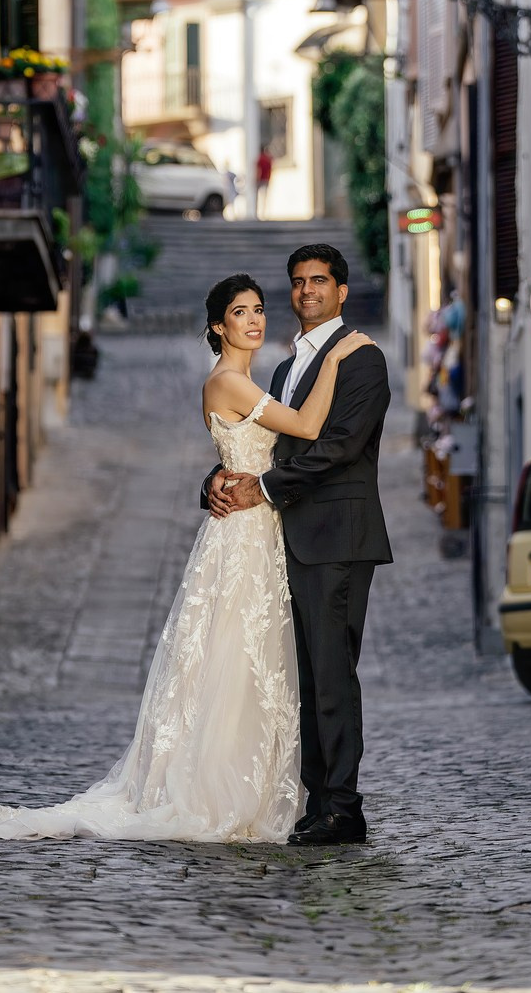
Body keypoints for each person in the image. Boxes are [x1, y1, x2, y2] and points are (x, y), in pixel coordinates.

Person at [0, 273, 372, 844]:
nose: (256, 320)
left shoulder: (245, 381)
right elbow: (309, 428)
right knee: (237, 661)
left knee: (250, 664)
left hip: (254, 532)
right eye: (242, 312)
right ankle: (225, 791)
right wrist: (339, 355)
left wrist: (218, 477)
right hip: (243, 540)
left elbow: (252, 456)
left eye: (260, 309)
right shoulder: (229, 383)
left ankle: (264, 788)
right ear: (219, 326)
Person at [205, 243, 392, 847]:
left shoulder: (362, 358)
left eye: (320, 281)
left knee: (333, 672)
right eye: (298, 281)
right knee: (305, 676)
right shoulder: (284, 370)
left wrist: (260, 488)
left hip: (338, 537)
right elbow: (264, 444)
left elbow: (336, 448)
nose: (307, 290)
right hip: (284, 542)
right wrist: (215, 481)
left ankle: (343, 807)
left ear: (341, 291)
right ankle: (316, 802)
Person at [255, 144, 274, 219]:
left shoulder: (260, 158)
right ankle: (265, 213)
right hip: (266, 179)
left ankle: (258, 213)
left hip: (260, 179)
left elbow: (258, 170)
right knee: (265, 196)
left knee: (258, 197)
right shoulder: (268, 159)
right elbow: (270, 169)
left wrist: (256, 179)